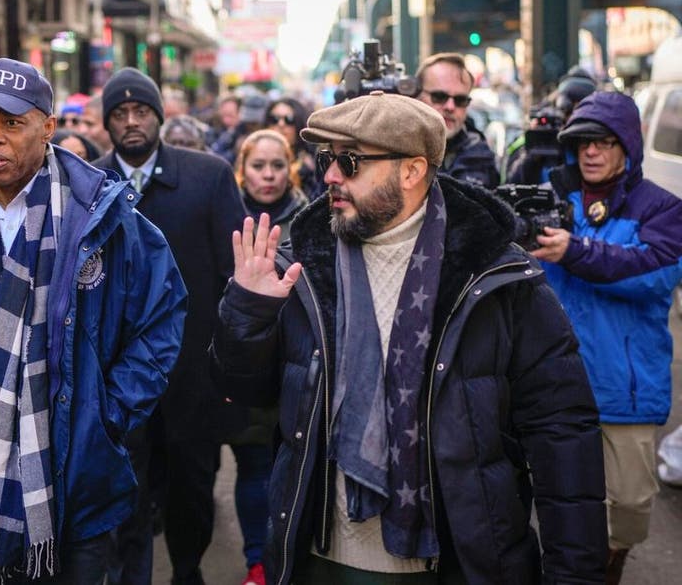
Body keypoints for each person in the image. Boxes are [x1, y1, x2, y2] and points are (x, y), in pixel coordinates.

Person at [213, 90, 607, 584]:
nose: (331, 176)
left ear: (412, 171)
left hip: (454, 560)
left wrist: (575, 575)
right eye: (327, 159)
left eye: (350, 161)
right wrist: (249, 311)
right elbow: (246, 396)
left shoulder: (494, 276)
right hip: (319, 558)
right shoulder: (300, 265)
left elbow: (563, 436)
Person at [0, 58, 187, 585]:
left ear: (48, 128)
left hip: (78, 463)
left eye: (12, 123)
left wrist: (110, 412)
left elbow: (161, 318)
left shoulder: (99, 212)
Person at [94, 67, 247, 585]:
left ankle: (187, 569)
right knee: (125, 487)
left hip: (191, 371)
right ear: (107, 123)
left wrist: (227, 361)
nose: (131, 122)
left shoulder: (208, 176)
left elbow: (235, 275)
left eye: (141, 112)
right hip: (114, 371)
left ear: (159, 117)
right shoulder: (84, 183)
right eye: (120, 114)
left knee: (191, 484)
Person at [532, 91, 682, 584]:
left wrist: (576, 251)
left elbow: (653, 273)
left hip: (627, 387)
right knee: (561, 502)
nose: (591, 152)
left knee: (632, 505)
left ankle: (609, 564)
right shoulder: (550, 200)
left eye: (604, 142)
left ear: (628, 147)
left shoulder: (662, 208)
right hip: (558, 384)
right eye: (582, 143)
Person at [228, 130, 309, 585]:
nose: (269, 175)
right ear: (244, 168)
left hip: (294, 363)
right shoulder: (228, 212)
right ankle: (257, 561)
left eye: (277, 165)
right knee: (253, 466)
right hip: (249, 359)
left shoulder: (311, 214)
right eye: (259, 166)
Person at [414, 52, 500, 188]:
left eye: (460, 100)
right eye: (439, 96)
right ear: (416, 96)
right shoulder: (394, 148)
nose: (450, 107)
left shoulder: (482, 158)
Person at [505, 68, 597, 185]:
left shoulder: (599, 142)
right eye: (571, 112)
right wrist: (532, 151)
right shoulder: (546, 132)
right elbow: (512, 183)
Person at [266, 97, 322, 199]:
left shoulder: (313, 161)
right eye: (274, 119)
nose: (281, 124)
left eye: (289, 119)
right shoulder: (254, 153)